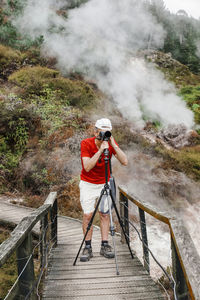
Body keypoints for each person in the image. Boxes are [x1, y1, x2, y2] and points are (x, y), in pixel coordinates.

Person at [79, 118, 128, 262]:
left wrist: (113, 144)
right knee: (88, 215)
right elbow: (87, 166)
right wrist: (101, 150)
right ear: (95, 132)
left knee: (105, 214)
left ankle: (104, 244)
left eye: (108, 132)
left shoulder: (110, 143)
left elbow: (125, 161)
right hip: (88, 184)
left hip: (104, 183)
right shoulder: (86, 143)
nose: (105, 134)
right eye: (102, 132)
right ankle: (87, 247)